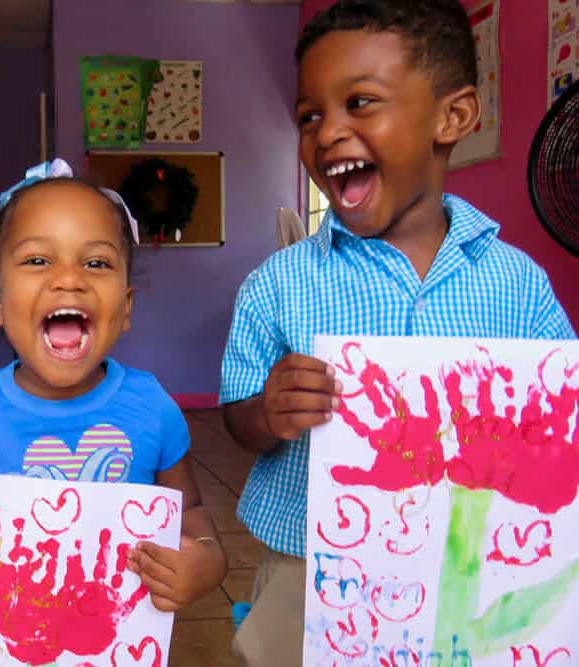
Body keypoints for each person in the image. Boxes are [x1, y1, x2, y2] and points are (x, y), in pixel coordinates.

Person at [219, 1, 575, 664]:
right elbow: (236, 420)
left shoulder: (516, 283)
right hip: (309, 570)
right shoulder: (277, 284)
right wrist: (267, 410)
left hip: (471, 571)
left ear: (453, 116)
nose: (327, 134)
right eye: (310, 116)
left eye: (360, 102)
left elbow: (560, 417)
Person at [0, 159, 228, 618]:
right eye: (37, 260)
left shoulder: (153, 408)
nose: (69, 279)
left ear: (126, 305)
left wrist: (208, 558)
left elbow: (189, 511)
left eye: (96, 262)